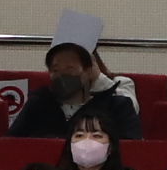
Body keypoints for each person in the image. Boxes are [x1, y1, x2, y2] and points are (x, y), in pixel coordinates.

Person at [9, 42, 138, 144]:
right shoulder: (38, 105)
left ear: (88, 71)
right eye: (55, 70)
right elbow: (11, 143)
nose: (62, 74)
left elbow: (130, 148)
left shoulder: (116, 106)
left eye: (70, 68)